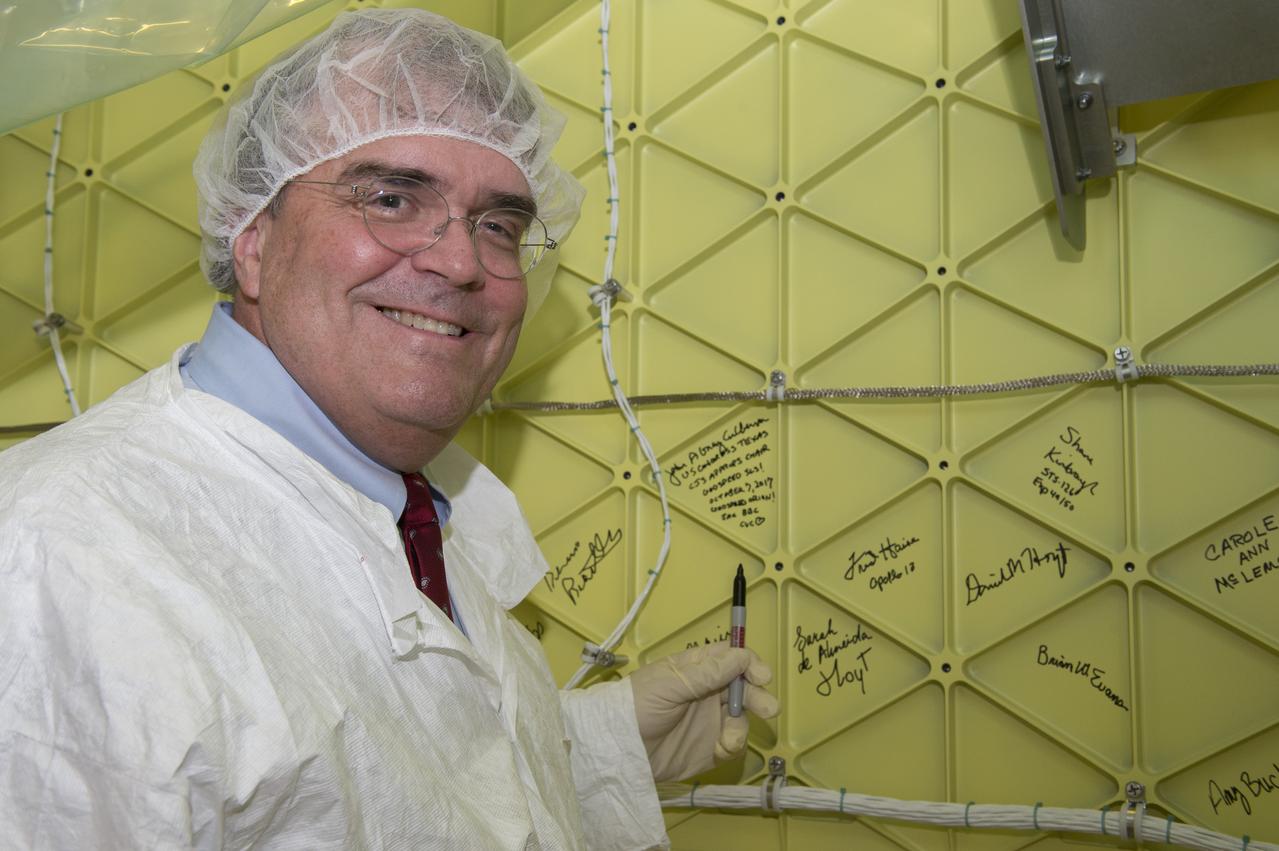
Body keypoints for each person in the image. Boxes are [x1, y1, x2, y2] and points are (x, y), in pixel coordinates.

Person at [0, 8, 779, 850]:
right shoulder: (62, 556)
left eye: (500, 225)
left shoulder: (405, 501)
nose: (460, 262)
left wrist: (595, 741)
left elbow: (389, 774)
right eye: (392, 198)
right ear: (252, 238)